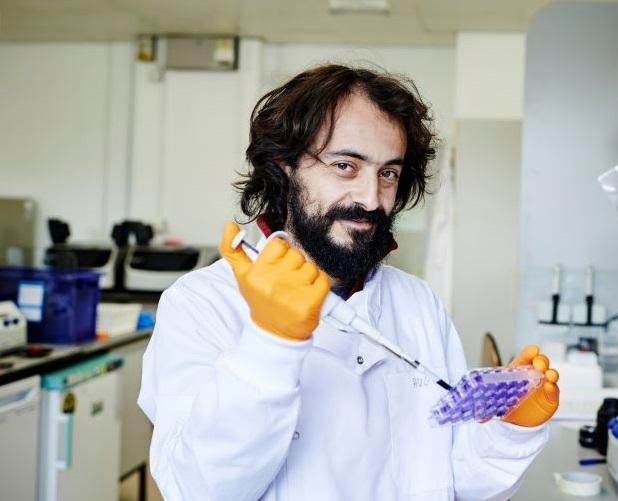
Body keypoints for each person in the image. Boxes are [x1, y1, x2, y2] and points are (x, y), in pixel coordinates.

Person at [138, 64, 560, 501]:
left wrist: (509, 431)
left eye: (388, 173)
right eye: (345, 165)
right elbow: (199, 489)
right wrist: (271, 342)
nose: (370, 198)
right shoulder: (201, 303)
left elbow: (457, 482)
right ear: (285, 166)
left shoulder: (417, 302)